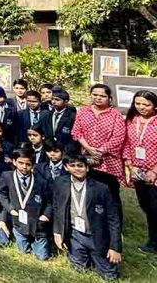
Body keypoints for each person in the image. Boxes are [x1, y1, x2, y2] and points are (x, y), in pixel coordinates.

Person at [53, 154, 122, 280]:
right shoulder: (60, 183)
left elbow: (113, 218)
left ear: (87, 168)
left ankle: (97, 257)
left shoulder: (101, 188)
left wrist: (115, 247)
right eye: (72, 166)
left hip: (97, 236)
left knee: (109, 276)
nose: (77, 169)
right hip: (75, 235)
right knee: (78, 270)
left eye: (80, 166)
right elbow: (58, 209)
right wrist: (57, 232)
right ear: (66, 167)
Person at [71, 84, 125, 224]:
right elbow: (76, 132)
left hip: (109, 161)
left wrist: (100, 151)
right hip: (87, 157)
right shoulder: (83, 111)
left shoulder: (116, 115)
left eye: (102, 96)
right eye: (95, 95)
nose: (98, 98)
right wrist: (89, 148)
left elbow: (118, 137)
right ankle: (93, 223)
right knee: (90, 192)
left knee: (111, 194)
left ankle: (115, 226)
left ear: (109, 98)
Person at [0, 146, 52, 261]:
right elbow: (1, 193)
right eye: (20, 163)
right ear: (14, 162)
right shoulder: (7, 176)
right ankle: (25, 240)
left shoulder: (41, 181)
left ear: (33, 165)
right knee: (23, 252)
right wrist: (10, 208)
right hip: (18, 223)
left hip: (37, 224)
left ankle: (37, 242)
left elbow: (50, 201)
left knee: (42, 257)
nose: (24, 167)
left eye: (28, 164)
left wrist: (46, 215)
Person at [123, 90, 157, 253]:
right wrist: (130, 165)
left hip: (154, 172)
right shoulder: (132, 120)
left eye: (146, 104)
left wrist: (154, 171)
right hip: (138, 171)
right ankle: (153, 240)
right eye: (138, 103)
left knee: (156, 207)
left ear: (154, 105)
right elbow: (126, 144)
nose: (141, 107)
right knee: (147, 206)